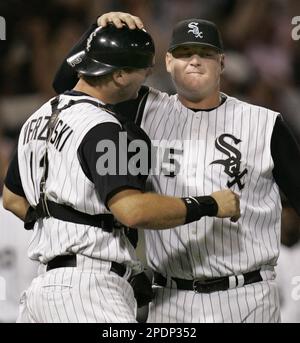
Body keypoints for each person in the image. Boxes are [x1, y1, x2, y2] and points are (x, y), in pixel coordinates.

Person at [52, 12, 300, 323]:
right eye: (184, 54)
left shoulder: (265, 124)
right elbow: (68, 88)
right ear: (168, 62)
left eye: (205, 54)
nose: (194, 61)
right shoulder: (143, 108)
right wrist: (97, 29)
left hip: (247, 296)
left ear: (222, 63)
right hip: (170, 301)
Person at [2, 24, 239, 323]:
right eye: (144, 70)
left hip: (41, 292)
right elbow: (132, 210)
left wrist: (61, 229)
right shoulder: (104, 128)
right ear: (119, 75)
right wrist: (210, 204)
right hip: (88, 291)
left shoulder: (36, 118)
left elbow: (11, 198)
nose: (148, 76)